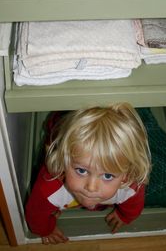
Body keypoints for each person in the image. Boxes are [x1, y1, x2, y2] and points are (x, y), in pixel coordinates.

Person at [25, 103, 151, 245]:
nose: (91, 187)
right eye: (81, 170)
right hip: (63, 123)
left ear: (125, 176)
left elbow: (134, 205)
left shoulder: (131, 187)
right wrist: (45, 229)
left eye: (107, 176)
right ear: (63, 162)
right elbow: (35, 215)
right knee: (57, 127)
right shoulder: (49, 188)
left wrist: (125, 216)